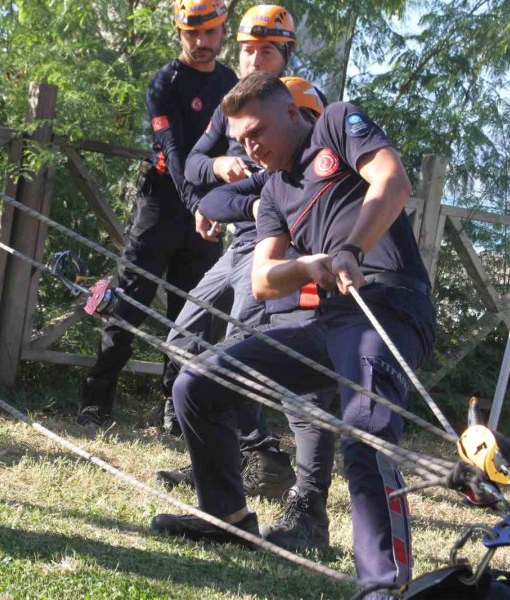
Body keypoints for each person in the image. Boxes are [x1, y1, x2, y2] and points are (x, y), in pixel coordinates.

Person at [153, 71, 437, 598]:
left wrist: (351, 249)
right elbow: (262, 280)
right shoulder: (274, 191)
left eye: (256, 132)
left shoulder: (335, 124)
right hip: (326, 322)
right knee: (197, 384)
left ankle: (384, 587)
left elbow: (392, 181)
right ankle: (227, 518)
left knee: (363, 430)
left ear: (291, 112)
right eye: (240, 140)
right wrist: (309, 266)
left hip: (388, 306)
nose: (249, 147)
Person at [160, 75, 337, 550]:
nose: (255, 147)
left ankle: (308, 510)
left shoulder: (332, 170)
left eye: (313, 121)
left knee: (310, 401)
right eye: (247, 138)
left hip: (320, 296)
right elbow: (213, 198)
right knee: (209, 370)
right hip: (275, 277)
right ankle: (236, 484)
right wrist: (257, 205)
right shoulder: (276, 177)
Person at [155, 6, 310, 503]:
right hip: (236, 242)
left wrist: (234, 201)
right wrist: (222, 168)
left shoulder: (298, 101)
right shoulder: (230, 107)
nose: (254, 60)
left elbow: (290, 188)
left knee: (240, 349)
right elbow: (194, 167)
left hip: (276, 245)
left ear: (285, 54)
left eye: (266, 51)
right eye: (246, 50)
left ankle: (265, 458)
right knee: (183, 338)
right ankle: (220, 454)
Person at [76, 0, 236, 428]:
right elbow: (175, 152)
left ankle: (175, 409)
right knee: (126, 303)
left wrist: (219, 206)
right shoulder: (165, 83)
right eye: (192, 34)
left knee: (193, 314)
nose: (201, 42)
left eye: (210, 32)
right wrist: (196, 203)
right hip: (161, 206)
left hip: (207, 213)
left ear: (223, 31)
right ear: (179, 33)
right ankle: (96, 401)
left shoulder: (231, 84)